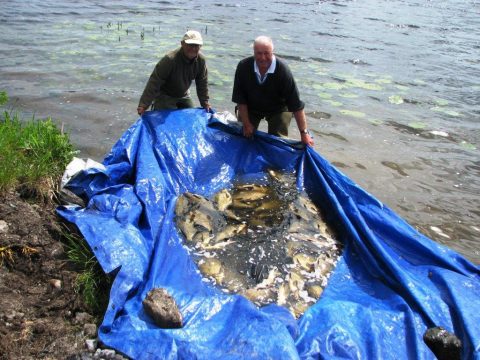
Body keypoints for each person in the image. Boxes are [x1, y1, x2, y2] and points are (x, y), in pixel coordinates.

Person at [232, 36, 314, 146]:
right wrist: (246, 124)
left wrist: (304, 133)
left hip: (278, 108)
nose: (263, 57)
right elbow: (240, 98)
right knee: (243, 136)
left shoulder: (283, 70)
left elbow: (296, 104)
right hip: (251, 106)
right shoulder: (243, 66)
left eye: (267, 53)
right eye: (259, 53)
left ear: (273, 52)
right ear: (254, 52)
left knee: (277, 140)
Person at [137, 30, 211, 115]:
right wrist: (143, 105)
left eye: (196, 45)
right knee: (164, 120)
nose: (193, 48)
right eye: (190, 45)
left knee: (191, 116)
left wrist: (205, 102)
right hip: (165, 95)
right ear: (182, 43)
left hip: (184, 94)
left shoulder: (201, 61)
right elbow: (154, 82)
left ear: (200, 46)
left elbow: (202, 83)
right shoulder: (170, 60)